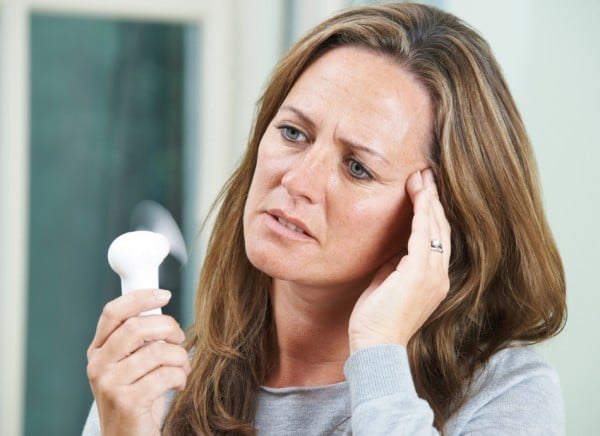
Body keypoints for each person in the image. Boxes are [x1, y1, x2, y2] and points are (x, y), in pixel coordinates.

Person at [83, 2, 567, 435]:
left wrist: (379, 351)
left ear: (436, 220)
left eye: (358, 167)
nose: (297, 180)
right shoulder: (160, 383)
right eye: (293, 133)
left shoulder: (503, 396)